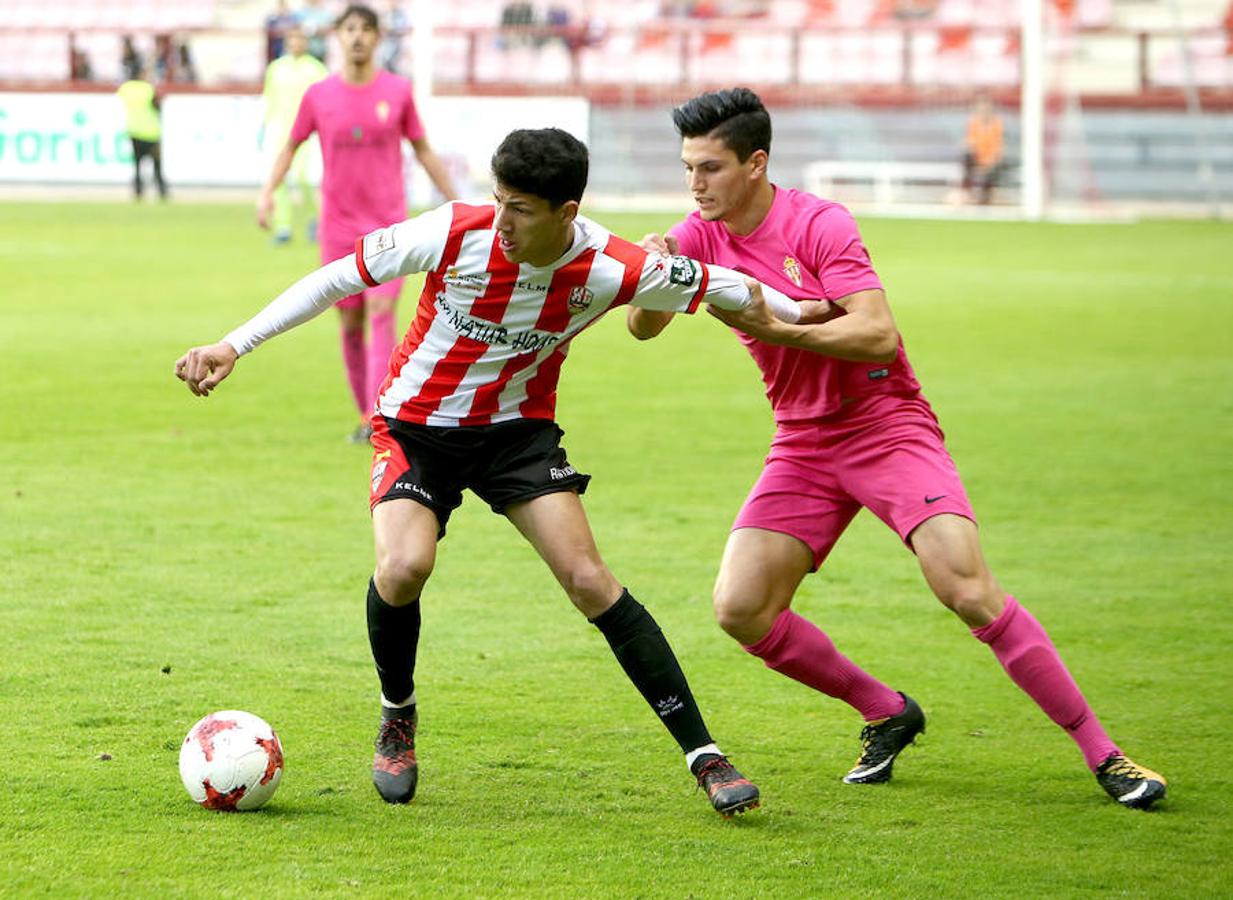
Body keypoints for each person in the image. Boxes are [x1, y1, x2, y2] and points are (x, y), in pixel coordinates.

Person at [174, 127, 816, 816]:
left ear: (566, 212)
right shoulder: (454, 231)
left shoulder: (611, 265)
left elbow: (731, 287)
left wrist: (808, 313)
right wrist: (233, 344)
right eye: (498, 200)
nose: (502, 221)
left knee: (589, 580)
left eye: (521, 209)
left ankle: (705, 757)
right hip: (416, 429)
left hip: (516, 438)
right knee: (402, 568)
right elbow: (337, 276)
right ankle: (398, 714)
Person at [626, 87, 1167, 811]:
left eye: (710, 168)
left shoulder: (817, 222)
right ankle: (885, 709)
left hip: (884, 426)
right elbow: (639, 330)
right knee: (741, 608)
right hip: (802, 441)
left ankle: (1106, 754)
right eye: (688, 168)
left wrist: (783, 327)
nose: (694, 185)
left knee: (966, 590)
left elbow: (876, 333)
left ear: (756, 164)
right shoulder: (697, 232)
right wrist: (662, 272)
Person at [257, 4, 459, 444]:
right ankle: (366, 410)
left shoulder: (399, 92)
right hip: (338, 226)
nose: (358, 37)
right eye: (350, 29)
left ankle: (379, 416)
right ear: (338, 36)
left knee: (381, 310)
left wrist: (456, 200)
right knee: (349, 323)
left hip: (388, 225)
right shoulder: (319, 96)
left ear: (378, 38)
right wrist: (267, 191)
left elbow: (423, 149)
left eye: (366, 29)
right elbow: (291, 146)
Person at [261, 23, 328, 244]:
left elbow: (325, 103)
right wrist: (263, 126)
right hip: (281, 130)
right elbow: (269, 99)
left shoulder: (316, 69)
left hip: (307, 134)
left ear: (306, 42)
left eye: (300, 38)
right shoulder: (276, 68)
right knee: (278, 179)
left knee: (303, 178)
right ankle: (283, 227)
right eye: (292, 38)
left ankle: (314, 219)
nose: (296, 43)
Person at [115, 66, 168, 201]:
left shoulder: (126, 88)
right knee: (157, 165)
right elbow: (158, 104)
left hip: (134, 131)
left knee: (137, 166)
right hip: (151, 132)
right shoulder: (148, 89)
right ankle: (162, 192)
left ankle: (138, 192)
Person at [961, 94, 1004, 205]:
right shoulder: (973, 124)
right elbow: (970, 143)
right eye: (981, 108)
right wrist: (974, 154)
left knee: (992, 170)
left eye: (986, 108)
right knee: (966, 157)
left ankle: (984, 199)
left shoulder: (997, 125)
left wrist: (989, 162)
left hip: (991, 160)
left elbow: (998, 147)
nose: (983, 111)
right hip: (977, 159)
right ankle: (966, 192)